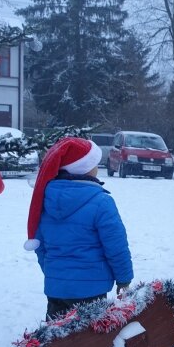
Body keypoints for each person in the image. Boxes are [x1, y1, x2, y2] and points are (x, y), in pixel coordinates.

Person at [23, 137, 133, 320]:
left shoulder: (45, 200)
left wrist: (56, 273)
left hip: (57, 289)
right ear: (86, 168)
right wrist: (124, 279)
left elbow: (40, 246)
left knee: (58, 343)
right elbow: (116, 247)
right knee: (90, 344)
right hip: (92, 290)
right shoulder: (102, 202)